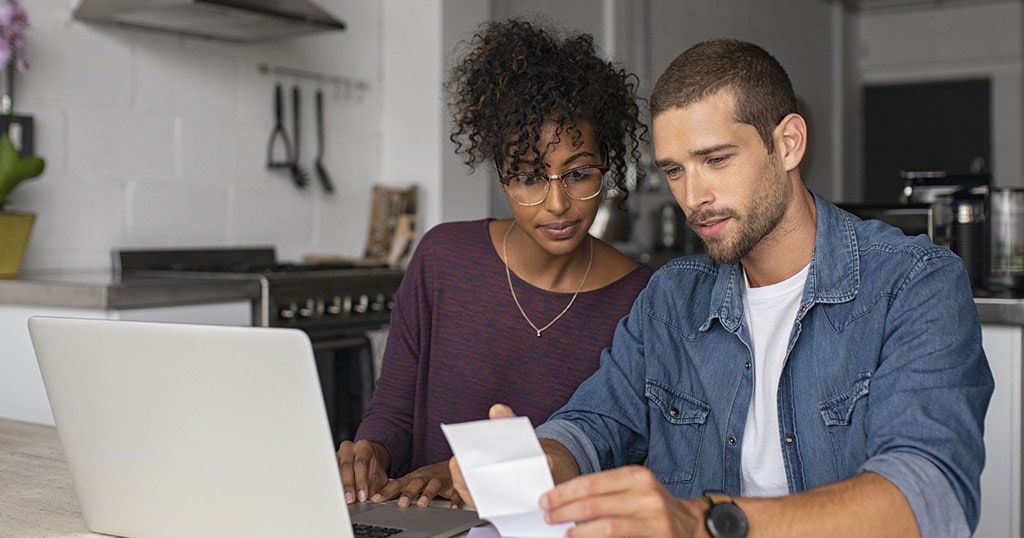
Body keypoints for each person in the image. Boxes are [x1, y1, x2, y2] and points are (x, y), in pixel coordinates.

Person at [451, 38, 994, 537]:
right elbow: (595, 423)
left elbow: (929, 497)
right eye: (675, 170)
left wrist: (703, 522)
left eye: (715, 160)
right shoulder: (671, 300)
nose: (694, 196)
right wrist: (541, 460)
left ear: (788, 144)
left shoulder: (914, 283)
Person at [336, 18, 654, 510]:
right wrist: (370, 453)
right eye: (529, 177)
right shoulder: (443, 259)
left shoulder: (642, 299)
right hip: (422, 522)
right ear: (502, 178)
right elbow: (394, 414)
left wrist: (467, 475)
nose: (557, 204)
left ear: (606, 167)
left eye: (579, 173)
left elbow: (620, 455)